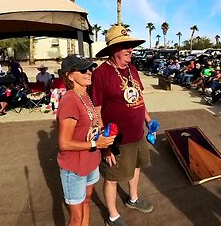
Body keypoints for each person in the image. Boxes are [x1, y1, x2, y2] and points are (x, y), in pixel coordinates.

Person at [91, 25, 154, 226]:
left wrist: (149, 121)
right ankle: (112, 216)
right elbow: (96, 111)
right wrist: (105, 145)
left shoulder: (132, 70)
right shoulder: (101, 74)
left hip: (138, 133)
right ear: (112, 50)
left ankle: (133, 199)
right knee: (112, 177)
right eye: (124, 46)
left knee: (136, 167)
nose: (130, 50)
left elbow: (140, 98)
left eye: (130, 46)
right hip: (117, 139)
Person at [57, 54, 116, 226]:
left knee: (87, 201)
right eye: (82, 69)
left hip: (90, 162)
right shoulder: (69, 99)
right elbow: (64, 143)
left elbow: (92, 126)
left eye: (90, 68)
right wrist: (95, 144)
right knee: (76, 219)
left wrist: (104, 140)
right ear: (69, 75)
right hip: (74, 168)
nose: (89, 72)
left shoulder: (86, 96)